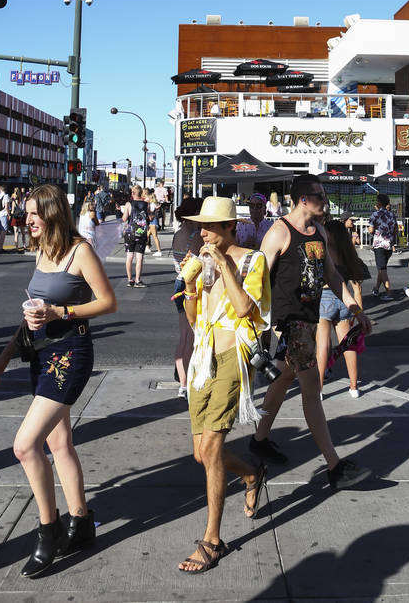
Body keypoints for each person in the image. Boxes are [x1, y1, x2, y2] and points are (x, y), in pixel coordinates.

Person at [0, 184, 117, 577]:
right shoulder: (42, 250)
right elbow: (31, 316)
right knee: (59, 444)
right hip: (40, 354)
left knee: (25, 446)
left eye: (33, 213)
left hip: (70, 354)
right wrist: (5, 355)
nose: (26, 219)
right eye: (26, 213)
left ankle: (49, 530)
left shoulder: (80, 252)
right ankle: (81, 523)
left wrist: (61, 312)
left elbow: (108, 302)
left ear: (52, 213)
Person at [249, 174, 372, 490]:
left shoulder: (319, 231)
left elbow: (332, 275)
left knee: (284, 377)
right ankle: (334, 466)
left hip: (309, 317)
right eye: (320, 196)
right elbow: (256, 281)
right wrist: (257, 328)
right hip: (290, 322)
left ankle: (259, 440)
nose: (325, 201)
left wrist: (355, 309)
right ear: (303, 199)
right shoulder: (279, 232)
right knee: (311, 387)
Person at [178, 196, 270, 573]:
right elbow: (193, 317)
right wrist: (189, 286)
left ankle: (212, 540)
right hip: (203, 357)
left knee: (212, 447)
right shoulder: (203, 263)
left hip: (234, 356)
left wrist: (224, 266)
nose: (203, 233)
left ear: (230, 226)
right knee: (200, 454)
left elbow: (246, 308)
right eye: (201, 227)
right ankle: (250, 474)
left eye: (211, 227)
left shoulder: (252, 260)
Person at [317, 218, 369, 398]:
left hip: (324, 298)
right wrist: (359, 311)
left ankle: (319, 389)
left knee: (323, 345)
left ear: (330, 234)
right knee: (347, 344)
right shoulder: (348, 253)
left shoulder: (325, 252)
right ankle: (354, 386)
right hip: (345, 300)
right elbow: (356, 287)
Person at [171, 197, 202, 398]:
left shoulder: (177, 234)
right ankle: (186, 383)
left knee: (183, 336)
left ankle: (182, 383)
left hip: (178, 283)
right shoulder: (195, 236)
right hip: (190, 285)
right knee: (191, 337)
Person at [369, 194, 398, 301]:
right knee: (382, 269)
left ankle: (389, 293)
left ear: (379, 202)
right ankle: (376, 288)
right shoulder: (391, 214)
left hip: (379, 244)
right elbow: (396, 230)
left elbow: (371, 230)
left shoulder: (375, 214)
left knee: (382, 269)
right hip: (389, 244)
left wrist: (374, 233)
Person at [122, 185, 149, 287]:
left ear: (133, 193)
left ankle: (130, 280)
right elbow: (149, 217)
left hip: (130, 233)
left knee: (129, 256)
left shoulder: (128, 204)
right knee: (139, 258)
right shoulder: (145, 204)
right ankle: (138, 280)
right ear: (141, 193)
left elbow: (124, 218)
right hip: (141, 233)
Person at [9, 188, 27, 252]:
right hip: (22, 216)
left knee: (16, 233)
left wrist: (10, 214)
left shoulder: (13, 201)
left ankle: (16, 247)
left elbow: (12, 211)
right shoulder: (23, 200)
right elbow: (25, 209)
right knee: (23, 232)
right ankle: (24, 246)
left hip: (16, 217)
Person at [146, 189, 162, 256]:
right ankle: (147, 247)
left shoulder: (152, 204)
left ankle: (159, 251)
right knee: (147, 235)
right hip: (154, 221)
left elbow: (151, 211)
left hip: (153, 221)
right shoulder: (155, 203)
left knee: (155, 236)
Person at [0, 185, 11, 250]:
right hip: (4, 215)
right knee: (4, 231)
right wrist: (9, 214)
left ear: (0, 190)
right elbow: (7, 207)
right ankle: (1, 247)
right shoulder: (6, 196)